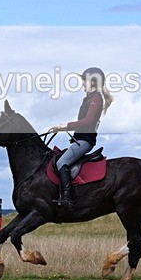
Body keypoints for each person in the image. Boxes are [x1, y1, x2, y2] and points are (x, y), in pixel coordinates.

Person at [48, 67, 114, 211]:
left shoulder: (96, 98)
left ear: (93, 82)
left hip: (85, 141)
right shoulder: (90, 98)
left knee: (62, 163)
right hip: (80, 139)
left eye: (84, 80)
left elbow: (88, 121)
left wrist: (65, 126)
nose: (83, 84)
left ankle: (68, 199)